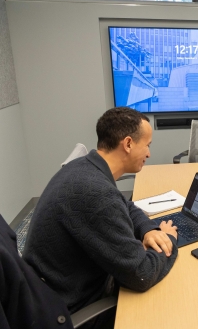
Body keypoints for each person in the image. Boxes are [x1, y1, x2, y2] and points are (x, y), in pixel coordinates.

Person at [23, 107, 178, 327]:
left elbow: (125, 204)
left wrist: (148, 229)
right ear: (128, 144)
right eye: (147, 145)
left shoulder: (85, 168)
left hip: (54, 292)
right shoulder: (95, 193)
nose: (149, 154)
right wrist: (169, 239)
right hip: (69, 311)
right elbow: (141, 274)